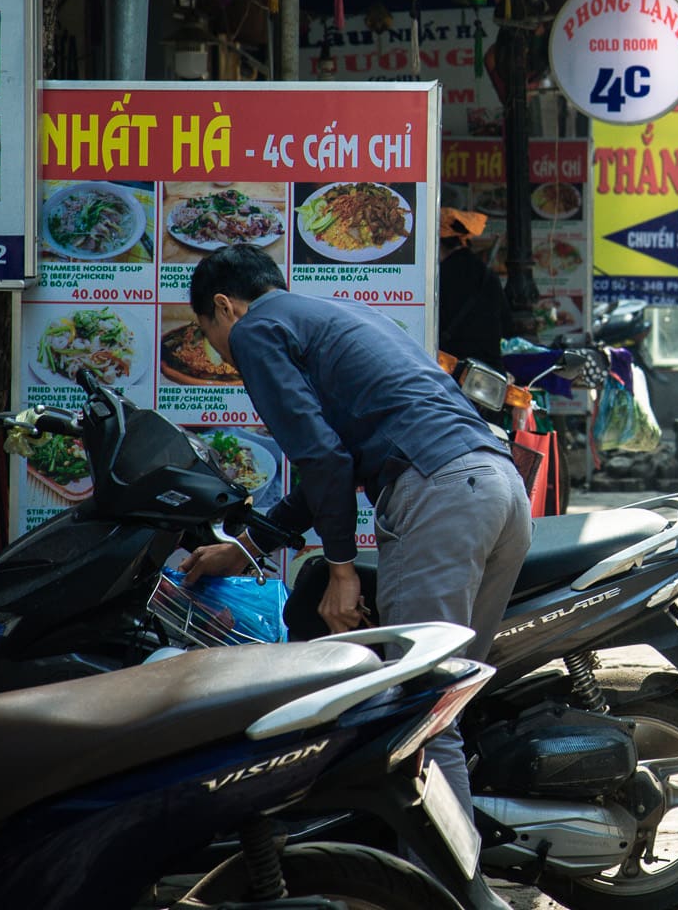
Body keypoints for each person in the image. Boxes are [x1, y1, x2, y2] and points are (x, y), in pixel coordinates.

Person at [180, 245, 531, 910]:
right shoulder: (331, 313)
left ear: (224, 307)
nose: (220, 350)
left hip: (440, 497)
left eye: (207, 333)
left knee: (420, 718)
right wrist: (249, 547)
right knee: (442, 707)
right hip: (497, 484)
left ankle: (459, 897)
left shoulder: (255, 330)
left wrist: (340, 570)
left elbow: (320, 455)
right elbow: (330, 469)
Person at [436, 207, 512, 366]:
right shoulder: (486, 274)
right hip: (488, 372)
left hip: (451, 369)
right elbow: (506, 322)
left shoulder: (437, 278)